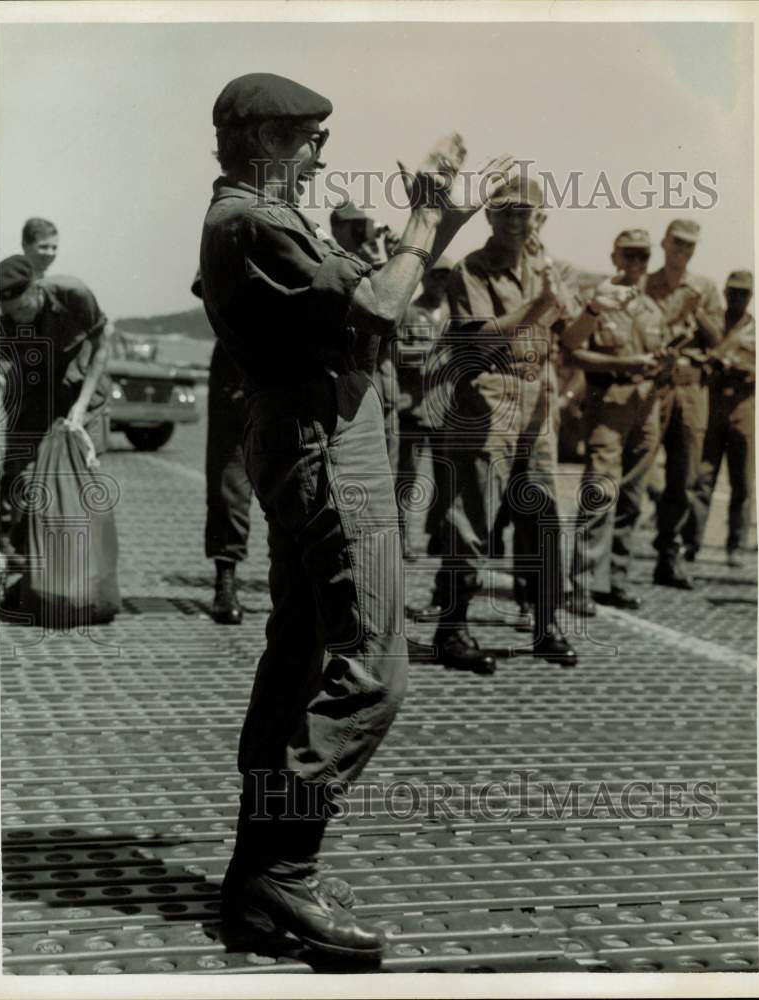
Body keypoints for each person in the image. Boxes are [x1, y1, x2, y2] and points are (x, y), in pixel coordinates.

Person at [198, 71, 514, 962]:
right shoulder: (252, 221)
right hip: (326, 450)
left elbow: (369, 305)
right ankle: (282, 870)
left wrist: (436, 219)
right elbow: (378, 303)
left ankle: (259, 873)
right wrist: (420, 224)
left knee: (301, 654)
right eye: (309, 141)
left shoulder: (260, 219)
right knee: (373, 666)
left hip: (324, 438)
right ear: (264, 142)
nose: (320, 156)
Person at [426, 175, 634, 672]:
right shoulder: (471, 271)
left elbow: (569, 341)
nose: (516, 221)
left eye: (526, 212)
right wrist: (543, 302)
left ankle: (545, 627)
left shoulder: (549, 270)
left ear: (539, 218)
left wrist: (590, 309)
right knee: (472, 519)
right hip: (487, 399)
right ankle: (451, 629)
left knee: (542, 517)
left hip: (539, 404)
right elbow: (478, 343)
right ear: (491, 217)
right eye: (506, 211)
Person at [568, 230, 666, 613]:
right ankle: (580, 584)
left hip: (645, 408)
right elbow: (573, 353)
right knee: (599, 493)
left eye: (643, 257)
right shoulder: (598, 301)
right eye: (629, 256)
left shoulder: (653, 310)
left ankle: (617, 580)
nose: (636, 264)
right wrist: (625, 365)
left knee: (632, 496)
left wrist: (664, 365)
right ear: (615, 257)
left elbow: (660, 353)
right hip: (607, 405)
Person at [0, 255, 112, 565]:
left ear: (37, 288)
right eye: (11, 313)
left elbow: (102, 344)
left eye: (22, 308)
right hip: (35, 395)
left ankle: (77, 569)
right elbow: (1, 364)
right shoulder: (3, 317)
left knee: (79, 479)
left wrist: (81, 405)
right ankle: (26, 570)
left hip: (81, 388)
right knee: (21, 479)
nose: (18, 318)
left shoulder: (73, 293)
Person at [645, 219, 724, 588]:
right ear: (664, 242)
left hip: (691, 388)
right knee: (638, 467)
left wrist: (698, 312)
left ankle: (669, 556)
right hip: (654, 383)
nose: (683, 250)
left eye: (690, 245)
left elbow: (718, 340)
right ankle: (614, 565)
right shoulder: (647, 284)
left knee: (686, 474)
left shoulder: (704, 288)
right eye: (678, 243)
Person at [192, 270, 254, 625]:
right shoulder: (233, 223)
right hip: (235, 363)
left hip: (289, 364)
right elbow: (207, 285)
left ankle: (296, 588)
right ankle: (225, 580)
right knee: (228, 487)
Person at [684, 270, 755, 567]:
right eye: (733, 292)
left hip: (743, 409)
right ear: (725, 293)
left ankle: (736, 546)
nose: (737, 297)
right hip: (712, 409)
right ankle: (692, 542)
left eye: (743, 293)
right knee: (702, 478)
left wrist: (739, 366)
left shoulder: (757, 329)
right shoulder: (711, 324)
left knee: (742, 484)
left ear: (750, 296)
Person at [328, 201, 401, 479]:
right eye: (354, 226)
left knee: (387, 463)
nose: (361, 232)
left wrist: (393, 263)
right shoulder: (330, 258)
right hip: (348, 378)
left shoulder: (373, 262)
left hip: (380, 378)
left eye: (364, 225)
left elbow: (393, 322)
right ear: (337, 228)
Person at [394, 256, 453, 559]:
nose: (439, 283)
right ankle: (401, 536)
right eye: (434, 276)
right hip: (413, 408)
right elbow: (396, 351)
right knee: (407, 477)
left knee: (447, 477)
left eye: (445, 277)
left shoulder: (455, 314)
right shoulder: (408, 311)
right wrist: (431, 353)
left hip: (445, 408)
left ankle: (438, 534)